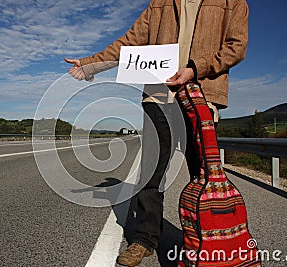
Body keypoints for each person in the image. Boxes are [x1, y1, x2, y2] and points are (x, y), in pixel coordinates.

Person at [65, 0, 249, 266]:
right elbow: (130, 42)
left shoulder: (232, 2)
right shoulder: (160, 3)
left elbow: (236, 46)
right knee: (151, 171)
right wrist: (91, 64)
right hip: (158, 95)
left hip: (201, 94)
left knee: (203, 172)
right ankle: (144, 239)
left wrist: (195, 69)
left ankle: (207, 239)